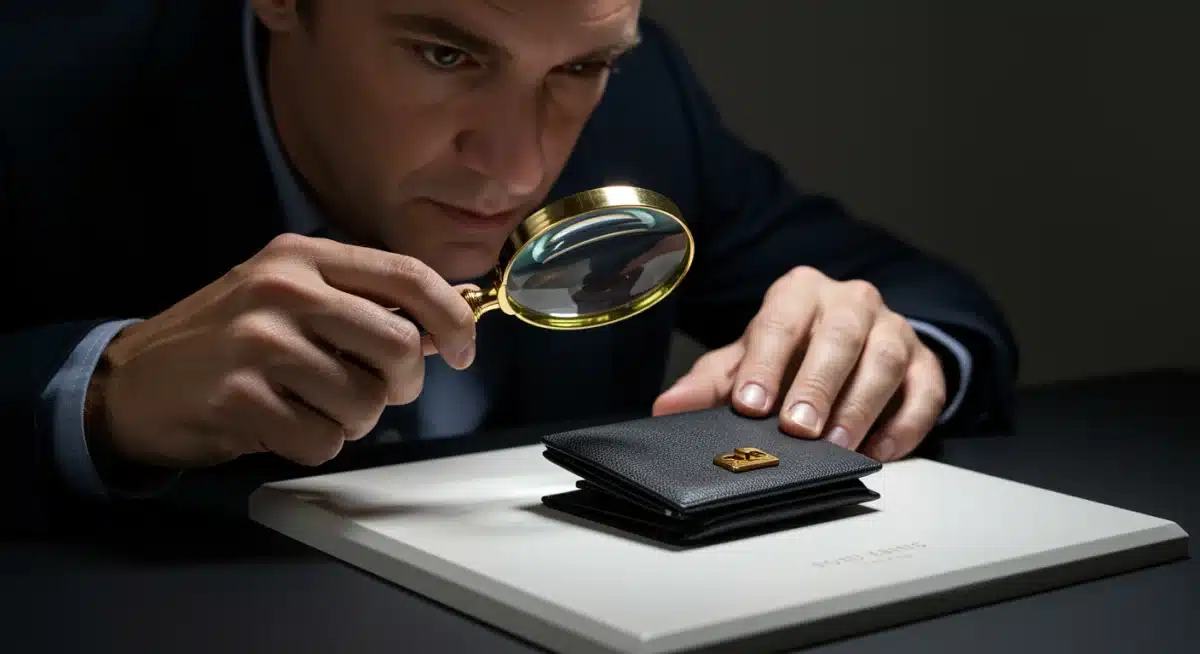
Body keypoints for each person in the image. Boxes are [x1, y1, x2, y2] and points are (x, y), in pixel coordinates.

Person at [0, 0, 1017, 528]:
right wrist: (99, 399)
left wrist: (882, 351)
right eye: (446, 54)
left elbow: (932, 300)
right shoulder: (34, 92)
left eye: (579, 69)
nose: (520, 167)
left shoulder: (642, 87)